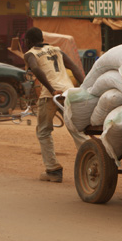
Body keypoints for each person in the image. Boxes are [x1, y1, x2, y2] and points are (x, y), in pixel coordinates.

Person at [24, 27, 89, 183]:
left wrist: (52, 89)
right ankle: (92, 158)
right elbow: (74, 67)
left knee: (44, 131)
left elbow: (35, 68)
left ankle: (53, 169)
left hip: (50, 95)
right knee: (75, 129)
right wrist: (86, 86)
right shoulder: (57, 50)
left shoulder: (30, 53)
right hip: (68, 92)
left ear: (29, 41)